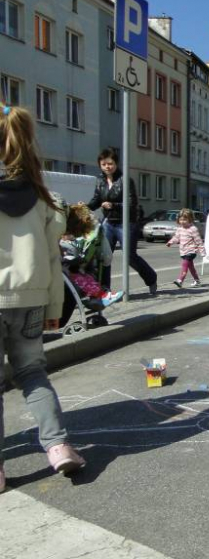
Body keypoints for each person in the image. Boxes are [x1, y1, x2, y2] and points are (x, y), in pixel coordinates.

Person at [0, 105, 86, 492]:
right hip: (31, 299)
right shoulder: (44, 199)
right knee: (33, 374)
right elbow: (54, 259)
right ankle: (58, 446)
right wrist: (54, 309)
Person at [87, 148, 158, 295]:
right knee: (104, 256)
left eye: (110, 163)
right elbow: (96, 199)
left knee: (129, 256)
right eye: (104, 164)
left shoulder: (125, 180)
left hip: (126, 223)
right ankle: (104, 289)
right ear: (100, 165)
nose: (107, 167)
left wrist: (113, 205)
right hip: (108, 223)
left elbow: (132, 204)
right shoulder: (100, 180)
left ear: (116, 164)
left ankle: (151, 278)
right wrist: (85, 207)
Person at [61, 202, 123, 308]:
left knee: (84, 278)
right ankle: (101, 296)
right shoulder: (82, 239)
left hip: (69, 270)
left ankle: (100, 296)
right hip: (68, 271)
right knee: (84, 278)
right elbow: (107, 258)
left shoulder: (62, 236)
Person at [166, 209, 205, 288]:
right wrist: (171, 242)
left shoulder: (193, 229)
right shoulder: (180, 229)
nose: (182, 221)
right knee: (191, 267)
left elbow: (198, 241)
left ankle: (180, 280)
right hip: (183, 251)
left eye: (185, 219)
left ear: (190, 219)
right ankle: (197, 280)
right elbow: (176, 237)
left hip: (191, 251)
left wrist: (202, 251)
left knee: (184, 264)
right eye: (181, 219)